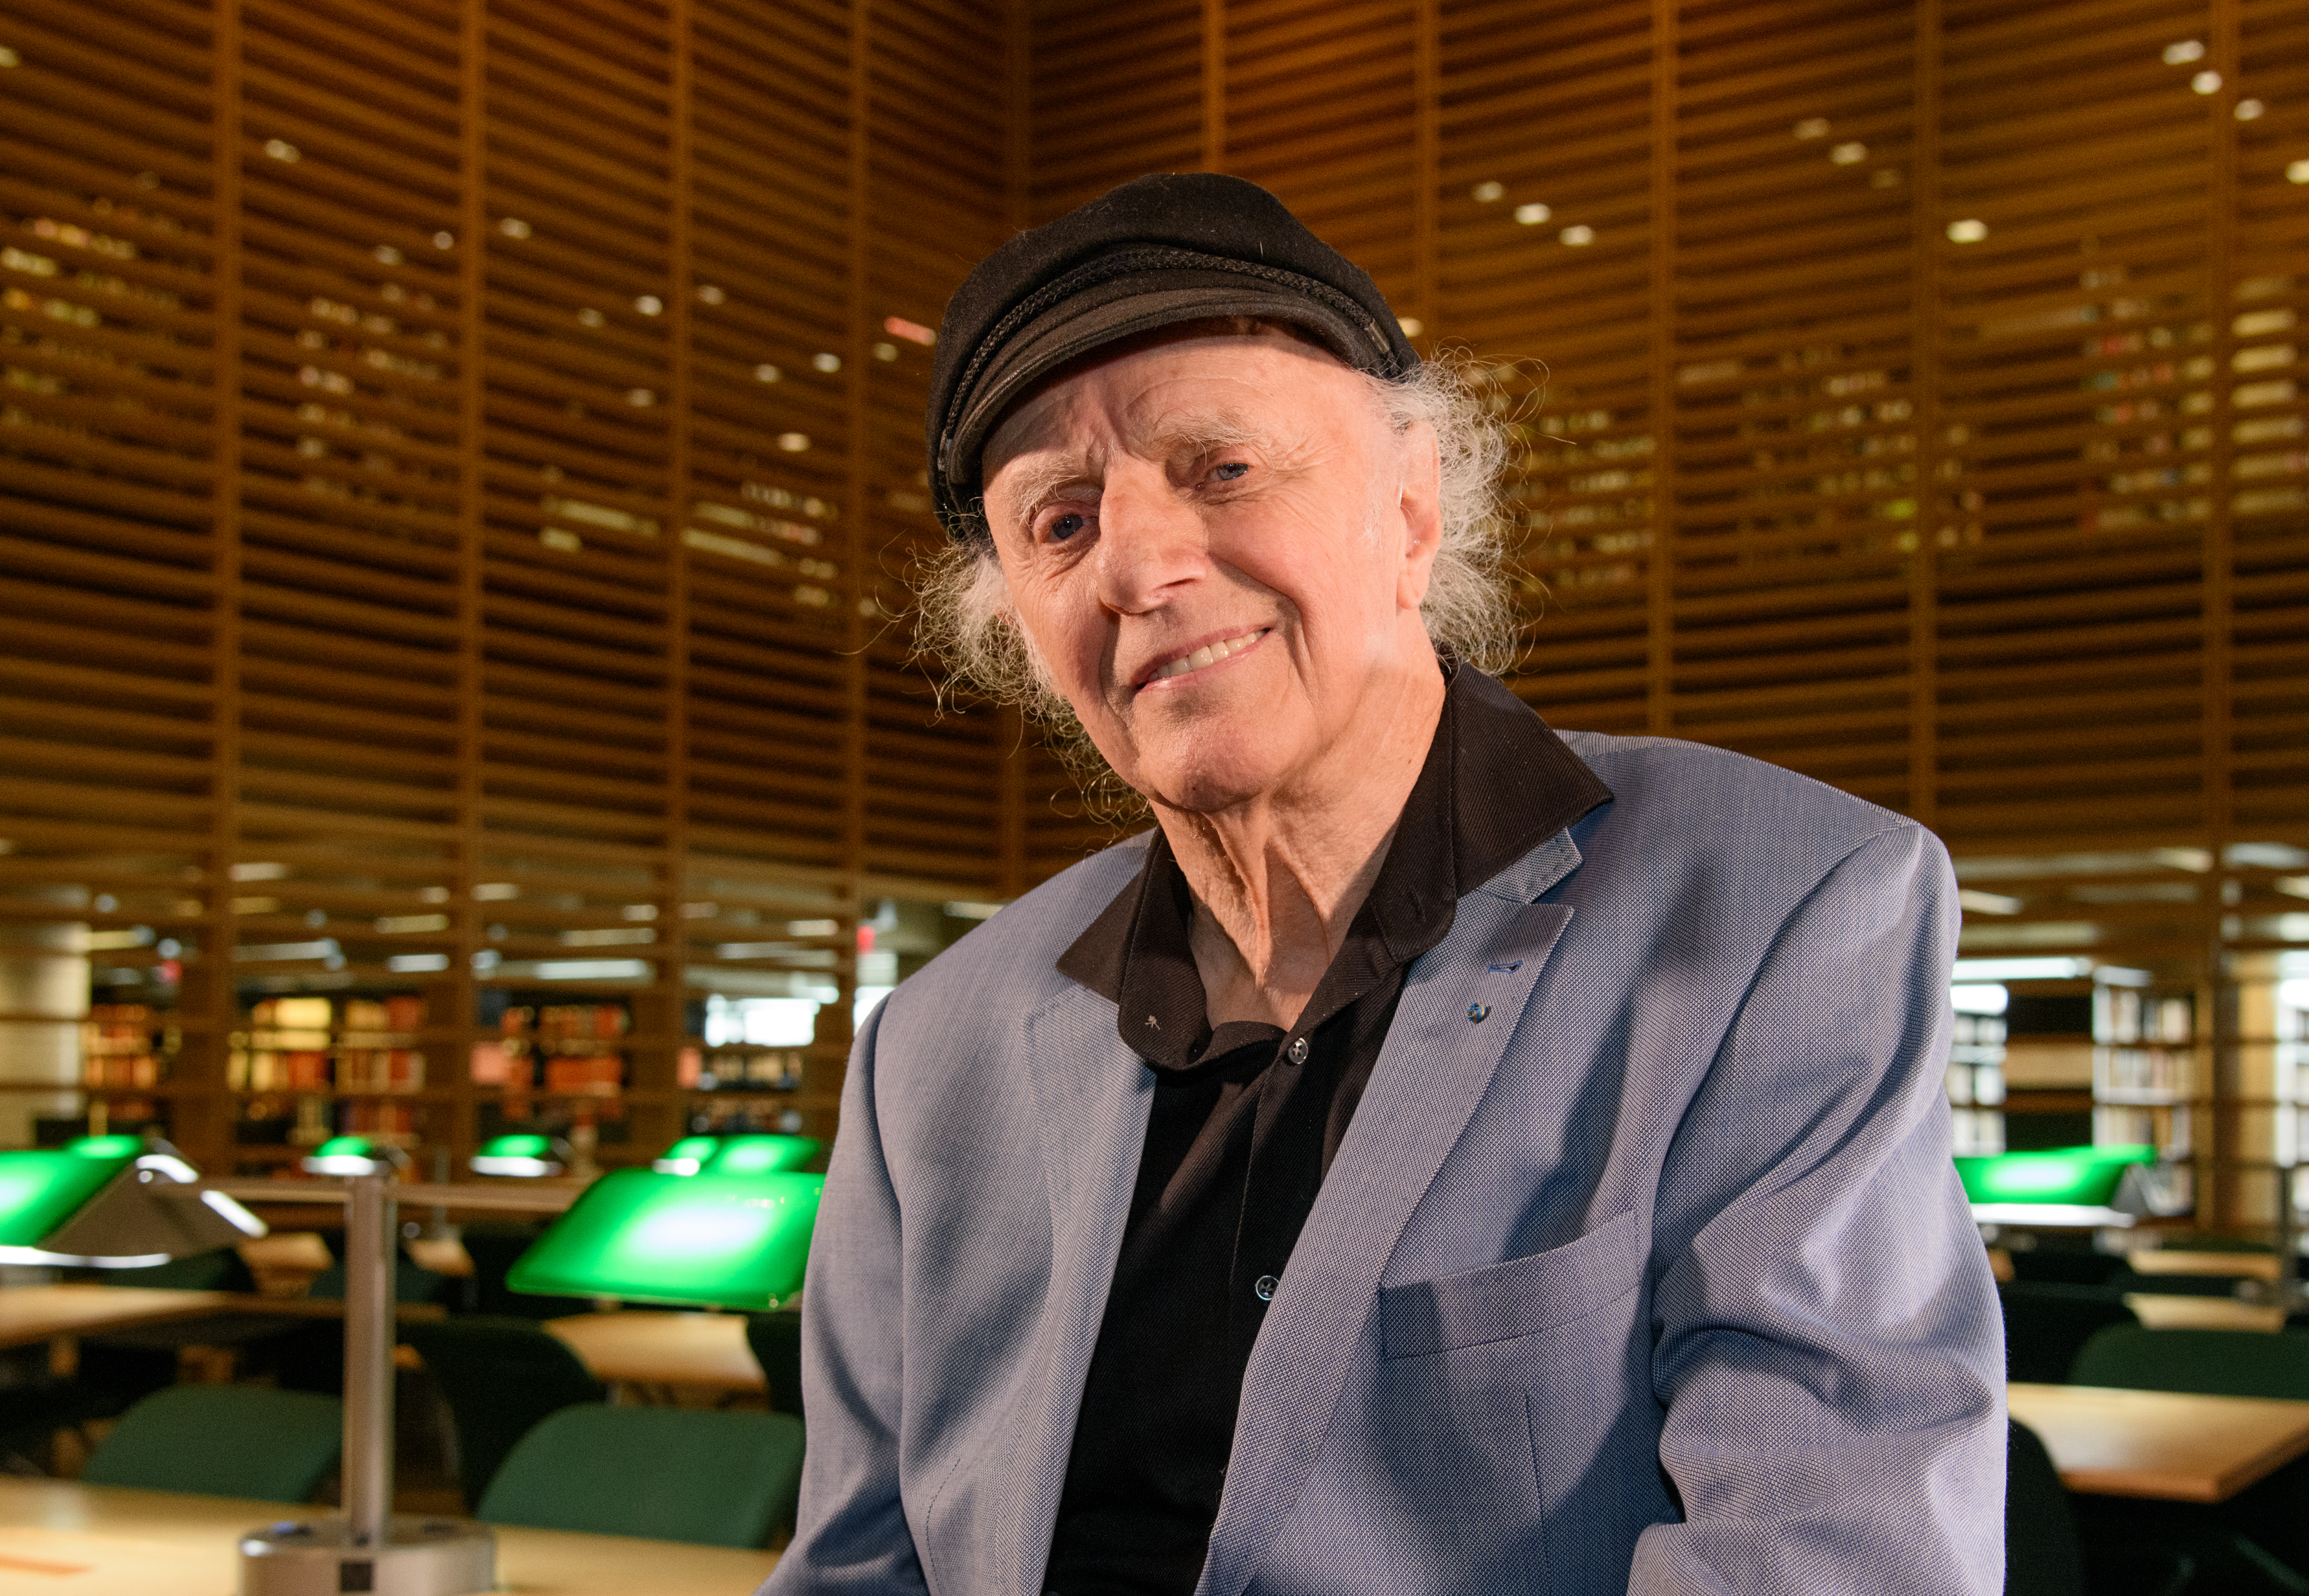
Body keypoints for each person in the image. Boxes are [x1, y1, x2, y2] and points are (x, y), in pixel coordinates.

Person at [759, 172, 2003, 1596]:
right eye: (1058, 521)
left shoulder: (1779, 909)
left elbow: (1828, 1558)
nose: (1141, 564)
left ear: (1410, 510)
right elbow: (857, 1568)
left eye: (1220, 467)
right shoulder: (928, 1051)